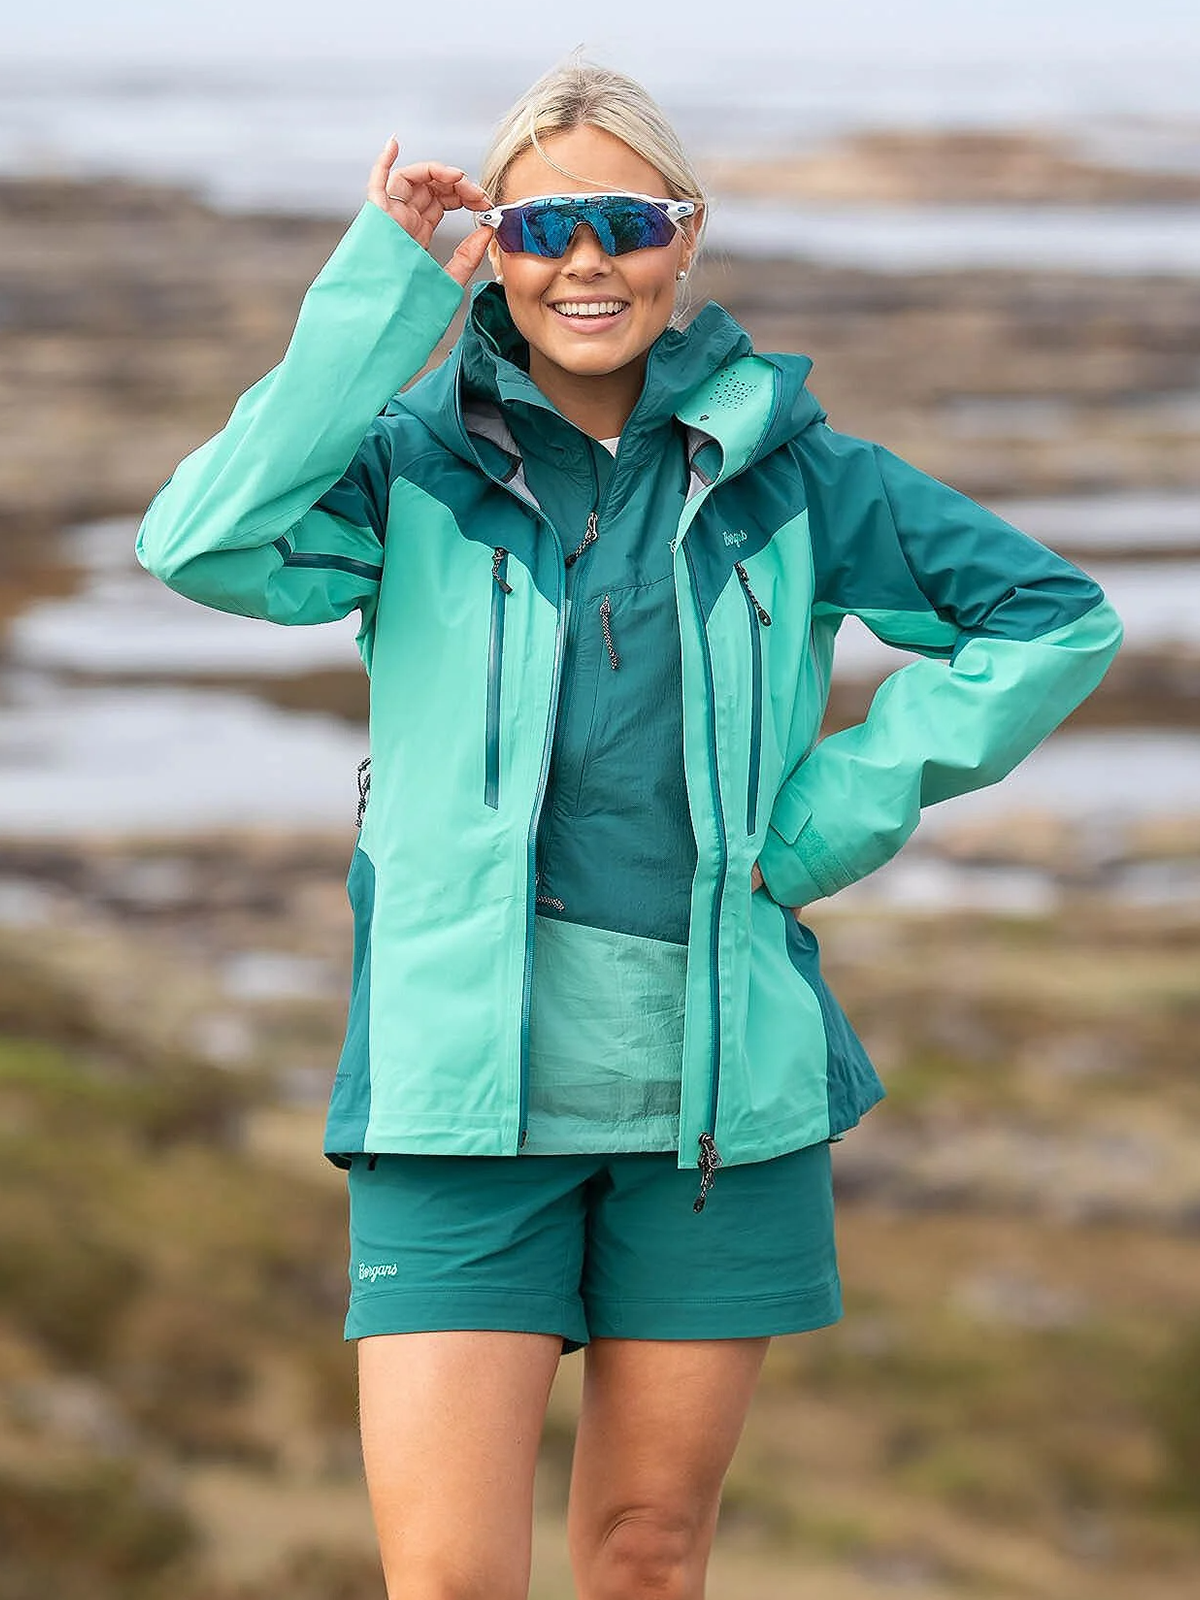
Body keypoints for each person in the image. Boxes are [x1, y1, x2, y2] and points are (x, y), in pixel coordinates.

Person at [136, 57, 1123, 1600]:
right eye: (541, 227)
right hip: (455, 1102)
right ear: (495, 251)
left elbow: (1054, 619)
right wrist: (385, 287)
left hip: (715, 1109)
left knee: (649, 1559)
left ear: (687, 235)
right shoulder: (408, 473)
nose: (585, 260)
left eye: (626, 221)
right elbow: (198, 538)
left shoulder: (800, 479)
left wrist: (829, 818)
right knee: (452, 1582)